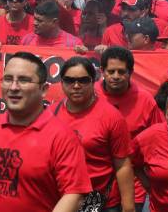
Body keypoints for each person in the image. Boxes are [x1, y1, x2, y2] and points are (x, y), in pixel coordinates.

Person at [0, 52, 92, 211]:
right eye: (8, 79)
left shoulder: (62, 138)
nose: (13, 87)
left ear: (43, 89)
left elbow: (74, 194)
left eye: (23, 80)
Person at [53, 57, 135, 212]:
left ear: (93, 81)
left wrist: (128, 207)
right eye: (69, 80)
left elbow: (123, 164)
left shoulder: (112, 117)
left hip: (102, 202)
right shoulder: (51, 114)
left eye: (83, 80)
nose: (76, 86)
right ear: (61, 83)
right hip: (62, 200)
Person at [96, 47, 164, 212]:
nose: (116, 76)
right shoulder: (89, 95)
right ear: (102, 71)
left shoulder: (145, 100)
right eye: (111, 71)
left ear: (131, 72)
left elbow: (159, 140)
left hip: (135, 187)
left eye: (121, 71)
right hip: (95, 186)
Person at [21, 1, 87, 52]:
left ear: (54, 22)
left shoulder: (73, 44)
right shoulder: (27, 40)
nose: (35, 23)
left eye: (39, 21)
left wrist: (82, 53)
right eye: (34, 19)